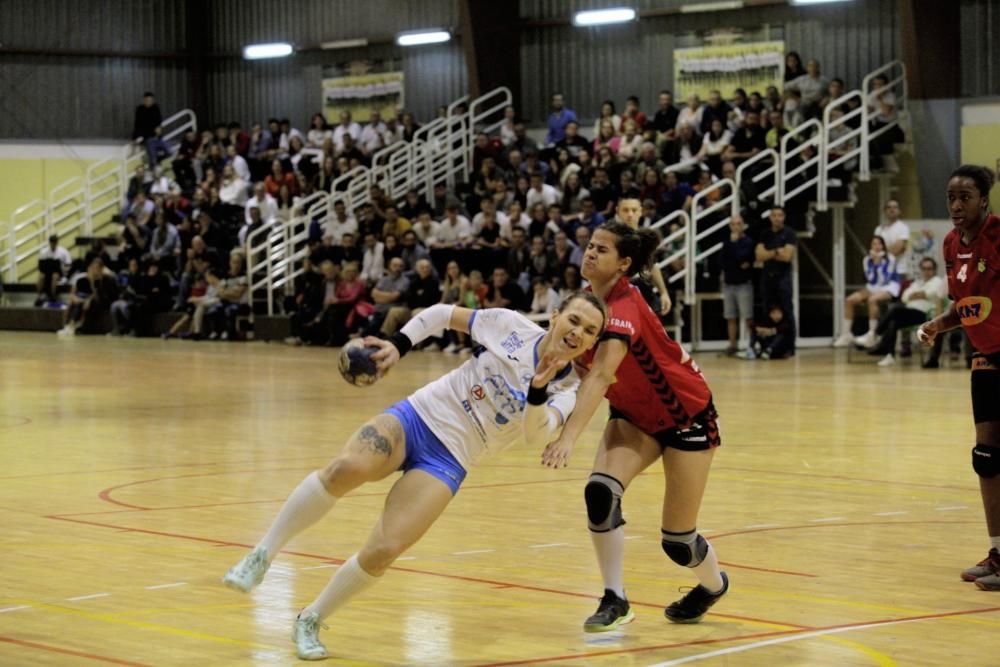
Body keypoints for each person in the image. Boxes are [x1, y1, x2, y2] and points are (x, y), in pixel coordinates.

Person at [221, 294, 608, 659]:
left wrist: (538, 389)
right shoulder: (510, 327)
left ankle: (311, 619)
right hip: (418, 416)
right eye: (574, 320)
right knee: (345, 469)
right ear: (555, 316)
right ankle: (262, 555)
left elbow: (535, 435)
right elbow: (441, 314)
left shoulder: (569, 388)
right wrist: (398, 345)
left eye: (590, 331)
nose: (578, 332)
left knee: (385, 549)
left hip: (452, 458)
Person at [540, 221, 729, 632]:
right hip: (634, 418)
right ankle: (615, 598)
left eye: (602, 250)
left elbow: (602, 374)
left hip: (686, 418)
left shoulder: (624, 307)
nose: (590, 253)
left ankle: (714, 585)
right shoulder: (585, 307)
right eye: (589, 246)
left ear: (624, 263)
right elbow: (570, 366)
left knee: (678, 542)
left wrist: (568, 436)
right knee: (600, 493)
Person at [918, 165, 1000, 591]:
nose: (956, 205)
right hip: (985, 357)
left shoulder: (998, 236)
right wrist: (936, 325)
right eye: (951, 196)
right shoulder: (951, 244)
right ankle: (999, 554)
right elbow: (966, 306)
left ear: (984, 199)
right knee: (986, 460)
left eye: (965, 196)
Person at [866, 256, 946, 366]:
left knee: (895, 309)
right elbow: (904, 296)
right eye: (924, 269)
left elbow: (932, 293)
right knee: (893, 322)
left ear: (934, 270)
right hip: (909, 312)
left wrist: (921, 294)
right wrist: (916, 295)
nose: (927, 271)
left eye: (929, 269)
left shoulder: (938, 281)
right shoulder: (918, 282)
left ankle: (875, 334)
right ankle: (890, 355)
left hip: (924, 314)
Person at [833, 235, 900, 348]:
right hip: (873, 286)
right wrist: (874, 263)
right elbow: (871, 279)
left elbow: (885, 279)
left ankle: (872, 334)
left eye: (879, 243)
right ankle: (846, 334)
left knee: (872, 300)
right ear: (871, 246)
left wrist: (879, 263)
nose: (877, 246)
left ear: (883, 245)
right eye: (874, 244)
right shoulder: (867, 259)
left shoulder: (891, 258)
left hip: (889, 286)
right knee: (850, 300)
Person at [755, 206, 797, 354]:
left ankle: (790, 347)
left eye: (780, 215)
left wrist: (769, 253)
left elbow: (787, 256)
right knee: (767, 311)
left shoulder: (789, 233)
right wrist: (776, 251)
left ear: (784, 217)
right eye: (774, 215)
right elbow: (759, 256)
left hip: (783, 278)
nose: (777, 218)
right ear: (770, 217)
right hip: (767, 277)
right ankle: (768, 345)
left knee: (787, 311)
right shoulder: (765, 234)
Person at [721, 215, 755, 356]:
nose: (736, 226)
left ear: (743, 225)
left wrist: (734, 248)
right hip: (729, 284)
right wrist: (736, 260)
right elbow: (723, 262)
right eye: (733, 224)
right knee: (730, 317)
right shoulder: (726, 243)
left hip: (743, 284)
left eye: (738, 223)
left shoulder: (748, 242)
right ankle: (732, 345)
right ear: (730, 226)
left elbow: (745, 259)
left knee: (748, 316)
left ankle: (752, 344)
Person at [36, 234, 72, 306]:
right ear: (50, 242)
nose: (53, 244)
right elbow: (41, 266)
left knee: (54, 276)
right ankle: (38, 297)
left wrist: (64, 270)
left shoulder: (63, 252)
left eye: (55, 242)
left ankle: (53, 296)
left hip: (59, 273)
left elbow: (68, 265)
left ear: (57, 242)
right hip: (47, 272)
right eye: (52, 242)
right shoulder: (44, 252)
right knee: (41, 276)